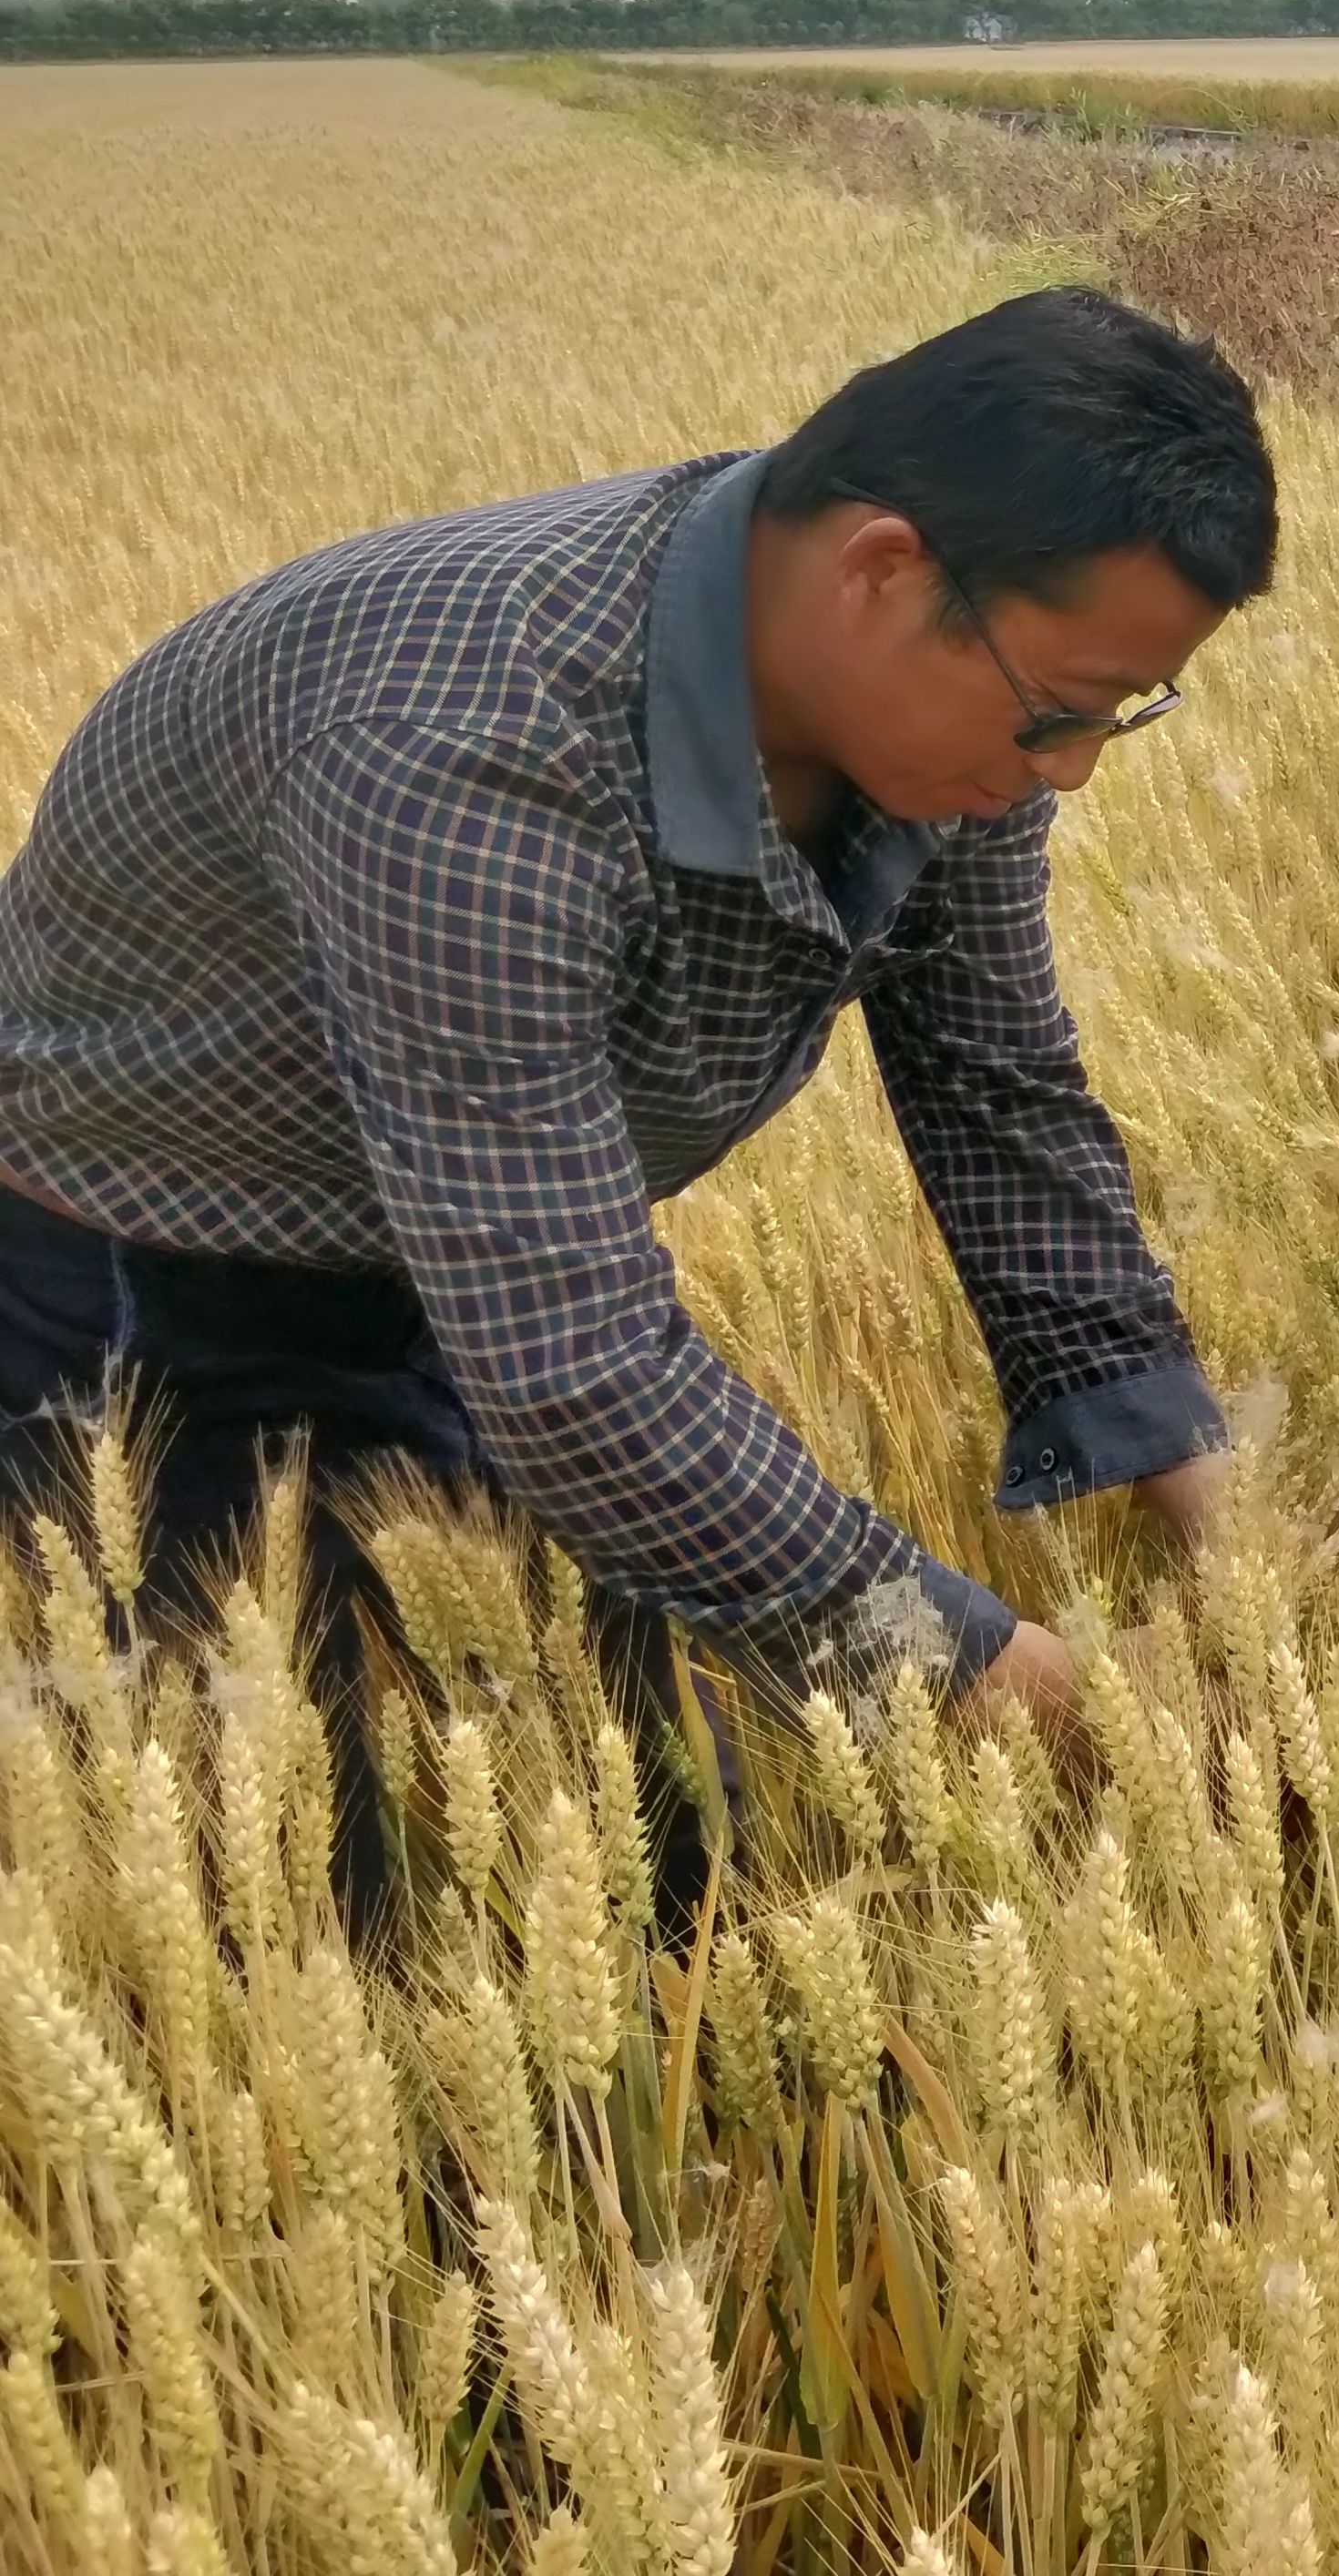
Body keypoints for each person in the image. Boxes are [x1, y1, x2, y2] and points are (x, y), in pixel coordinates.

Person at [0, 285, 1270, 1926]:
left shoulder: (954, 733)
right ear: (885, 569)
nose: (1072, 769)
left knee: (664, 1840)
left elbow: (999, 1096)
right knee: (326, 1902)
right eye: (1060, 709)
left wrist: (1212, 1499)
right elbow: (582, 1377)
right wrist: (998, 1683)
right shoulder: (465, 745)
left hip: (480, 1255)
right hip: (142, 1281)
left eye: (1118, 715)